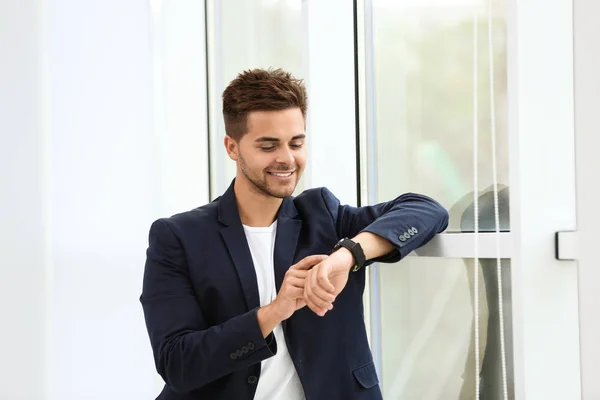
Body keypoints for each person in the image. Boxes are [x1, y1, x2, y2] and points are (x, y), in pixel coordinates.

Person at [140, 68, 449, 400]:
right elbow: (177, 363)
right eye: (268, 146)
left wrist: (347, 256)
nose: (286, 159)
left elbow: (427, 210)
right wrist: (277, 310)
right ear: (232, 147)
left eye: (296, 143)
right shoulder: (179, 237)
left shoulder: (324, 216)